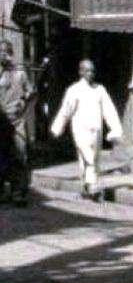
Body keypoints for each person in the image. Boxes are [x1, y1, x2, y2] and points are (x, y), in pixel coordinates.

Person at [50, 59, 123, 200]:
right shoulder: (74, 90)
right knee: (88, 156)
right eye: (87, 70)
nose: (90, 73)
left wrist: (115, 129)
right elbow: (66, 110)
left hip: (96, 130)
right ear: (81, 72)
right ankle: (93, 186)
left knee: (92, 158)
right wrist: (57, 128)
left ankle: (86, 187)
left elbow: (109, 110)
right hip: (80, 130)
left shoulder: (100, 90)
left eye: (92, 71)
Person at [0, 39, 35, 206]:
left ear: (11, 54)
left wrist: (24, 101)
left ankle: (18, 192)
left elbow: (31, 92)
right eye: (1, 52)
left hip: (17, 120)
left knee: (20, 155)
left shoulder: (20, 73)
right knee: (2, 156)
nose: (3, 55)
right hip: (1, 121)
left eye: (6, 51)